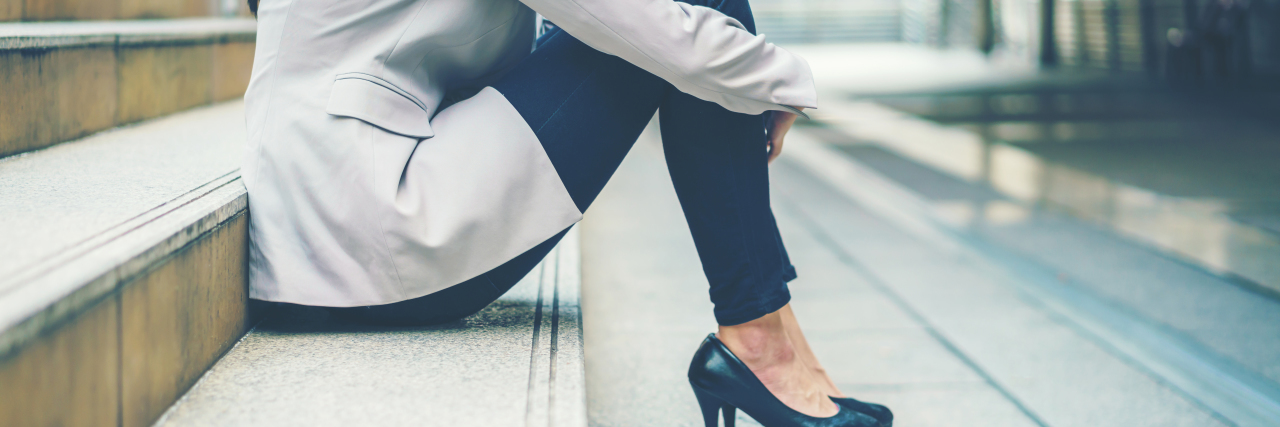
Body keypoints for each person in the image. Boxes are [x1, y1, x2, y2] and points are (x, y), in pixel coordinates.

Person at [242, 0, 892, 425]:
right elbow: (643, 26)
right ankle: (763, 338)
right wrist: (785, 78)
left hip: (325, 219)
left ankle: (770, 332)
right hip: (370, 226)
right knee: (697, 10)